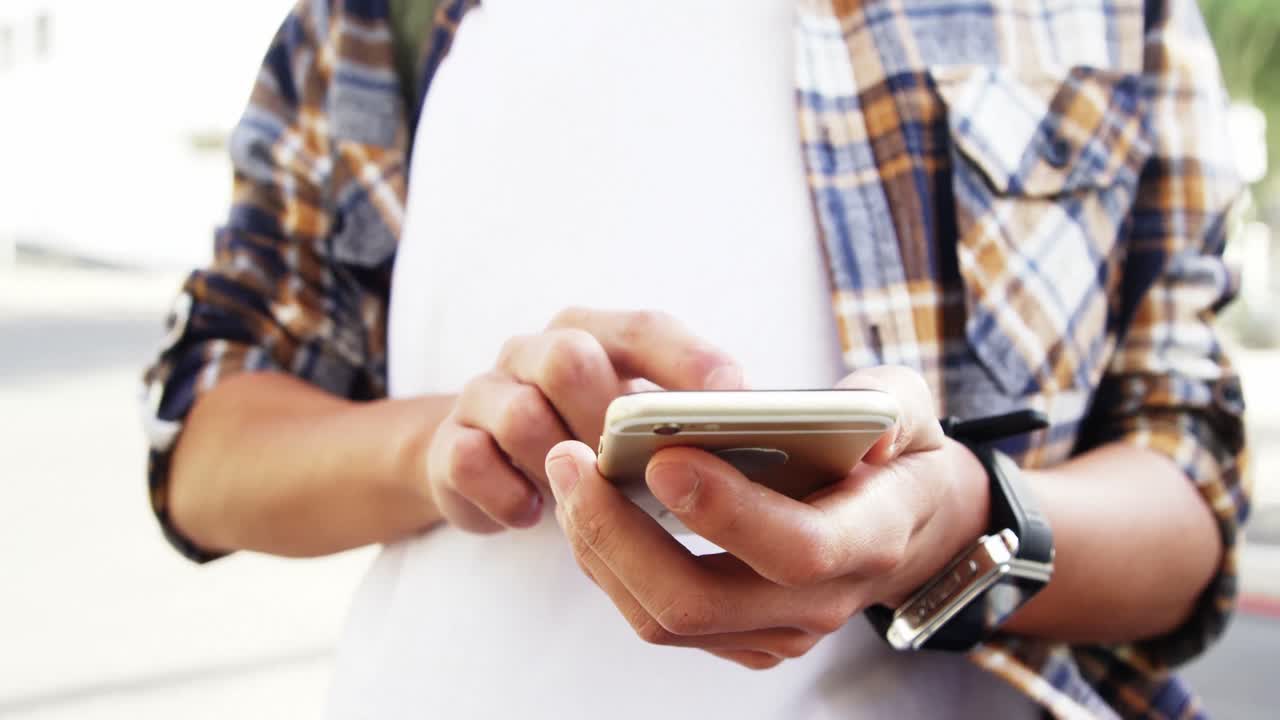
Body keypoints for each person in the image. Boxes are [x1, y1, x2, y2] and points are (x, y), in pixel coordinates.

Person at [142, 0, 1250, 717]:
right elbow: (203, 449)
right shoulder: (369, 20)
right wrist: (443, 442)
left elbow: (1189, 503)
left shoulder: (1116, 15)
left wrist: (951, 528)